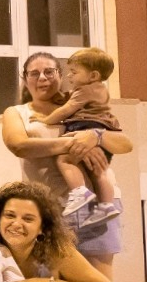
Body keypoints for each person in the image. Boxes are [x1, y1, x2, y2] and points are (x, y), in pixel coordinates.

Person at [1, 51, 132, 282]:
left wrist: (97, 137)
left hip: (96, 207)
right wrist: (74, 141)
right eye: (34, 73)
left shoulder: (83, 102)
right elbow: (19, 145)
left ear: (61, 75)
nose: (43, 78)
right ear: (25, 79)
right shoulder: (18, 113)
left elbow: (123, 141)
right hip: (46, 217)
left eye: (50, 71)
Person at [37, 47, 121, 224]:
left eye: (74, 72)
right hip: (103, 129)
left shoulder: (85, 90)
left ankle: (79, 192)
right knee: (98, 170)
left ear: (93, 76)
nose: (69, 76)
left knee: (65, 159)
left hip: (86, 126)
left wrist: (45, 120)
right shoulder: (99, 90)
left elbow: (66, 110)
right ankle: (107, 205)